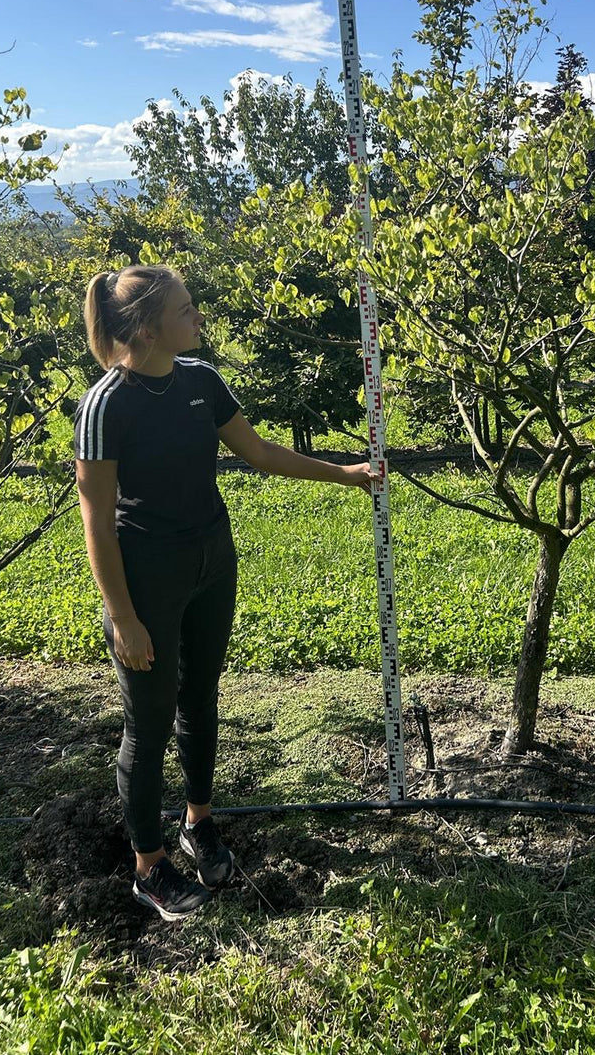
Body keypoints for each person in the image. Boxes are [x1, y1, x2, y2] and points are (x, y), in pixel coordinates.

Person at [74, 263, 379, 923]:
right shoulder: (106, 405)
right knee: (149, 722)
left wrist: (346, 474)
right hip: (146, 579)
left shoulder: (201, 381)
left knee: (201, 697)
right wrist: (123, 615)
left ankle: (198, 822)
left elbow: (260, 451)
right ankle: (149, 867)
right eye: (188, 310)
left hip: (213, 562)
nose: (200, 319)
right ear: (151, 328)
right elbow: (96, 519)